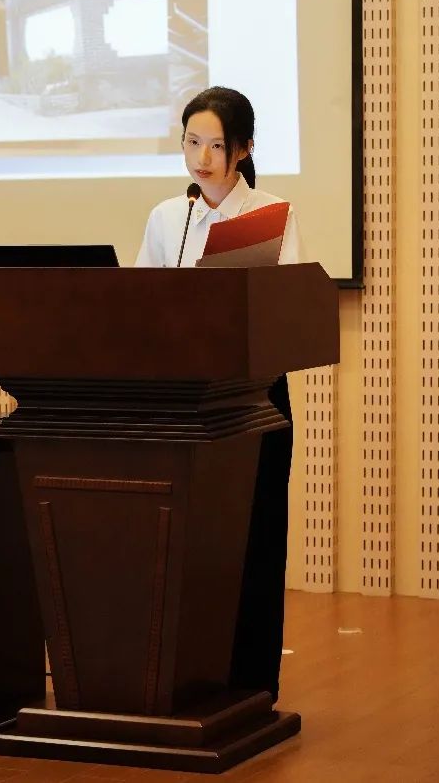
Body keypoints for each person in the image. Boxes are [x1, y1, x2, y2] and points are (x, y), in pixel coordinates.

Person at [135, 85, 303, 703]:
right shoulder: (167, 217)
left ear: (244, 148)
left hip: (253, 397)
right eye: (192, 143)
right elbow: (139, 305)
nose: (201, 158)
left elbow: (289, 308)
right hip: (185, 401)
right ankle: (188, 679)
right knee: (189, 542)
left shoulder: (271, 215)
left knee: (252, 537)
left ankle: (252, 684)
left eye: (215, 145)